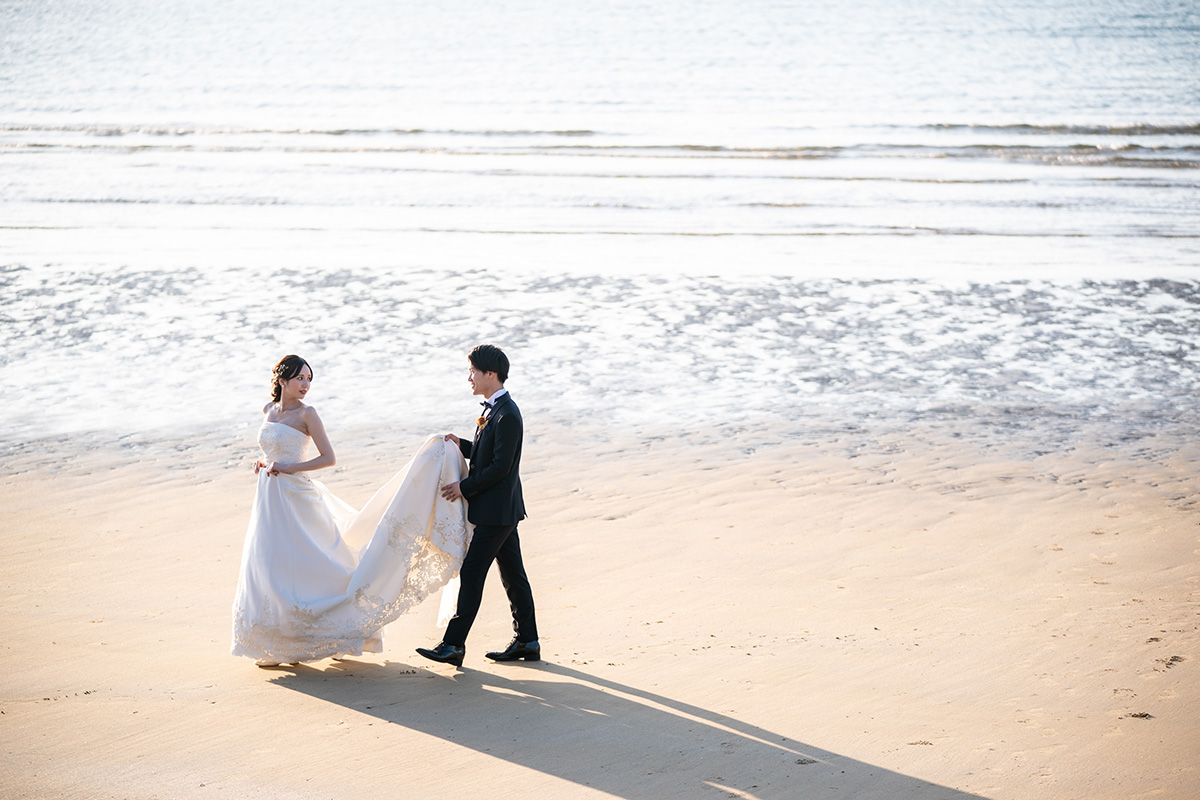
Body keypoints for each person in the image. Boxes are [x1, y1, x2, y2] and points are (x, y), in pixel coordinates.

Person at [231, 355, 471, 666]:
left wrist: (289, 467)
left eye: (309, 379)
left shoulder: (309, 414)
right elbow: (271, 449)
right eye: (300, 379)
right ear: (281, 381)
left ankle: (324, 632)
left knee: (308, 563)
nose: (305, 385)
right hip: (269, 496)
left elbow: (327, 458)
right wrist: (263, 462)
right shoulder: (268, 410)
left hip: (297, 497)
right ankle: (281, 641)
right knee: (268, 562)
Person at [416, 344, 540, 667]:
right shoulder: (494, 410)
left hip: (497, 512)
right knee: (513, 573)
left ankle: (453, 644)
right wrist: (464, 445)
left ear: (490, 374)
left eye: (472, 371)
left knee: (472, 572)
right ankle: (528, 639)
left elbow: (501, 467)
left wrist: (463, 487)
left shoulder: (508, 414)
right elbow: (490, 454)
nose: (469, 377)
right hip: (502, 510)